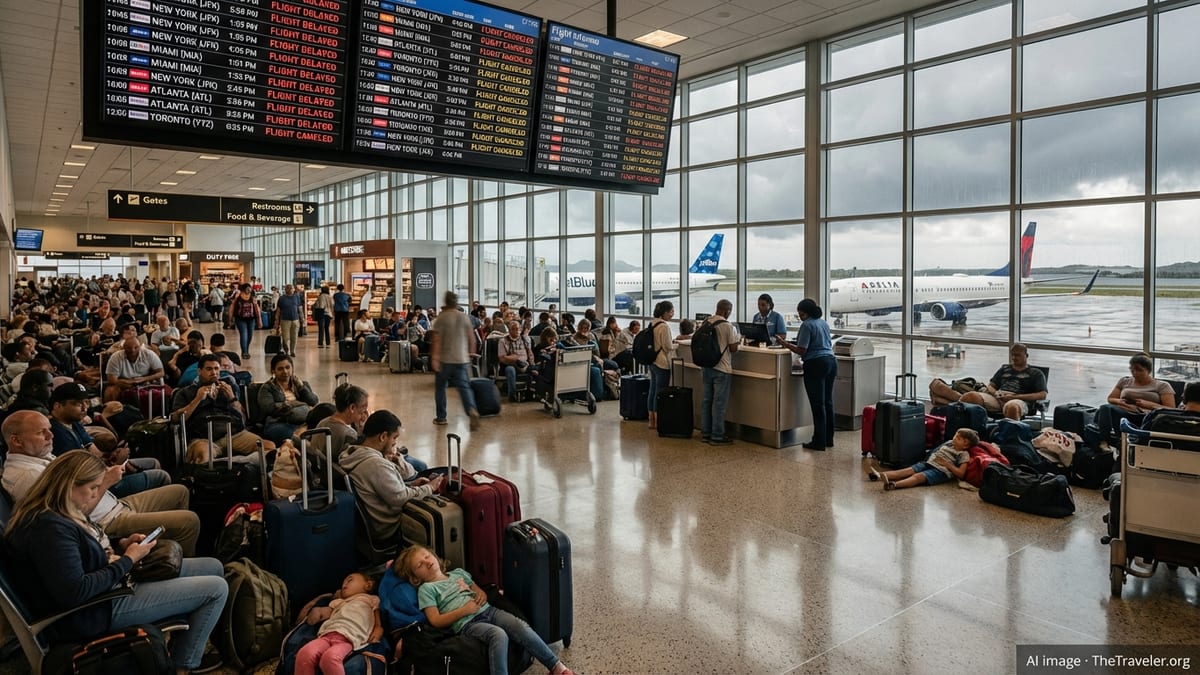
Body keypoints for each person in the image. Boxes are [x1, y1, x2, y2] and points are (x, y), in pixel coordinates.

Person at [3, 450, 227, 673]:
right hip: (93, 611)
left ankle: (182, 643)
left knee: (213, 567)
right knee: (216, 589)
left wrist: (121, 543)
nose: (94, 496)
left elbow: (78, 556)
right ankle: (182, 665)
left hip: (107, 589)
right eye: (92, 488)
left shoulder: (56, 512)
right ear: (69, 484)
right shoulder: (49, 529)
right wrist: (129, 559)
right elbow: (75, 591)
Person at [3, 411, 201, 555]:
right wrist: (106, 481)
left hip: (115, 505)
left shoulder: (39, 457)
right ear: (17, 441)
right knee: (189, 521)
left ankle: (165, 550)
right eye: (41, 433)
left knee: (179, 491)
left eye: (49, 430)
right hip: (107, 521)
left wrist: (102, 473)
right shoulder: (29, 476)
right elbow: (73, 516)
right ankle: (177, 565)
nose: (51, 435)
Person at [395, 545, 573, 675]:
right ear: (415, 578)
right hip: (468, 624)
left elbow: (479, 590)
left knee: (520, 626)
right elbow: (435, 620)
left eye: (427, 556)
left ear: (434, 555)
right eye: (419, 565)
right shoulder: (427, 589)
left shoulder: (458, 573)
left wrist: (481, 595)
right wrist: (464, 610)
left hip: (489, 611)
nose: (426, 562)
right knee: (498, 635)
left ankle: (556, 666)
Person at [339, 411, 445, 545]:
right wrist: (430, 487)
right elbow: (400, 498)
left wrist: (411, 485)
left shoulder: (351, 452)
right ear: (383, 436)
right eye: (394, 438)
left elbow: (384, 489)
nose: (395, 443)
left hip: (371, 523)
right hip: (388, 529)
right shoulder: (376, 465)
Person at [172, 354, 273, 464]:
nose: (214, 373)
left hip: (233, 434)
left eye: (216, 369)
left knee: (269, 447)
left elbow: (243, 418)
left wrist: (232, 398)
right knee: (204, 456)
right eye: (209, 369)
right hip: (204, 438)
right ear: (199, 371)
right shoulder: (185, 392)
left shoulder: (226, 389)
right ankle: (239, 462)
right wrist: (197, 399)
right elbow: (176, 419)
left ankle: (232, 463)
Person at [929, 343, 1048, 420]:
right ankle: (968, 430)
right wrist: (996, 393)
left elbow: (1042, 394)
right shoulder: (1005, 369)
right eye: (1012, 355)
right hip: (998, 397)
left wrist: (1014, 397)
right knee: (971, 397)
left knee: (1012, 407)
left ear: (1026, 355)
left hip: (1018, 399)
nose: (1014, 358)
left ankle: (1009, 439)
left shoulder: (1035, 373)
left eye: (1017, 355)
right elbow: (991, 385)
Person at [295, 572, 383, 675]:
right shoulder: (339, 602)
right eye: (343, 582)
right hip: (326, 635)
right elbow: (326, 612)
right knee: (305, 653)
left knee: (330, 658)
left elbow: (378, 622)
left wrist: (378, 630)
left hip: (349, 638)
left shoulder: (371, 600)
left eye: (350, 580)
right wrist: (317, 611)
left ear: (368, 585)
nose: (344, 584)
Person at [780, 298, 837, 451]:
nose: (800, 317)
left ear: (807, 313)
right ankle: (828, 438)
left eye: (801, 314)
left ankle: (818, 441)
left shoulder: (807, 325)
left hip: (816, 363)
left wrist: (785, 344)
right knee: (828, 402)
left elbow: (801, 350)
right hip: (831, 361)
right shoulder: (823, 322)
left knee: (817, 404)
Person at [1095, 353, 1176, 450]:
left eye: (1139, 370)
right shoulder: (1125, 381)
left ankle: (1121, 444)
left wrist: (1149, 405)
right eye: (1132, 370)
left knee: (1116, 416)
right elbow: (1111, 398)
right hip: (1124, 412)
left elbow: (1171, 409)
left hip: (1145, 416)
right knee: (1105, 408)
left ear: (1148, 370)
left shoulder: (1162, 385)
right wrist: (1120, 402)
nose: (1135, 373)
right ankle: (1107, 441)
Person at [430, 292, 480, 430]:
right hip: (461, 359)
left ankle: (441, 417)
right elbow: (472, 338)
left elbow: (436, 340)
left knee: (440, 387)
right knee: (464, 387)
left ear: (445, 302)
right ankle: (471, 410)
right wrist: (470, 353)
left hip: (444, 359)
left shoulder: (441, 318)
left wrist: (434, 358)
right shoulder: (464, 317)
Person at [870, 428, 976, 490]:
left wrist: (947, 464)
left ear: (966, 444)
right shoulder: (949, 443)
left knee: (917, 477)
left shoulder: (963, 454)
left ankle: (894, 485)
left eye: (958, 438)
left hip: (940, 471)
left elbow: (961, 473)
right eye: (955, 436)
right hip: (929, 463)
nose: (954, 438)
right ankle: (878, 475)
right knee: (907, 470)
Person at [698, 300, 739, 445]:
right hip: (722, 368)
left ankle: (705, 433)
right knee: (719, 403)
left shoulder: (706, 322)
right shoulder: (728, 326)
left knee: (707, 401)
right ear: (727, 311)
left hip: (706, 366)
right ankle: (717, 435)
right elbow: (733, 349)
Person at [258, 353, 319, 445]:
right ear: (273, 371)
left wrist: (302, 388)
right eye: (280, 369)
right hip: (279, 423)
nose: (285, 372)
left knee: (321, 431)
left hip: (304, 421)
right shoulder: (267, 388)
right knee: (299, 438)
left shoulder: (301, 384)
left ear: (292, 368)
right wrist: (294, 405)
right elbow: (268, 408)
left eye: (288, 367)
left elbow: (313, 401)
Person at [104, 336, 166, 402]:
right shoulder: (116, 357)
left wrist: (145, 379)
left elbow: (161, 372)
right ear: (124, 347)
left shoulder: (149, 354)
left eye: (136, 347)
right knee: (110, 391)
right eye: (129, 348)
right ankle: (110, 411)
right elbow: (111, 379)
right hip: (124, 383)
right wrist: (127, 382)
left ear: (140, 347)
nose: (132, 350)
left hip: (145, 382)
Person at [646, 302, 675, 431]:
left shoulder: (652, 323)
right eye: (671, 311)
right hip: (662, 362)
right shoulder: (664, 326)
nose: (672, 314)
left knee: (652, 390)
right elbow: (668, 346)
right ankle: (659, 421)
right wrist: (676, 344)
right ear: (664, 312)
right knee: (660, 392)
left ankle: (651, 419)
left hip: (652, 361)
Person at [497, 320, 536, 403]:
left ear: (521, 329)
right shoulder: (503, 341)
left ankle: (530, 394)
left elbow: (530, 354)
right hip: (510, 365)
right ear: (509, 330)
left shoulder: (525, 339)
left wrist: (532, 364)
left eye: (518, 329)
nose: (516, 331)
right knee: (510, 370)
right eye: (513, 329)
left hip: (525, 364)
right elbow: (502, 358)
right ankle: (512, 395)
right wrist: (513, 358)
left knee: (534, 369)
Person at [230, 283, 263, 359]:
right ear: (244, 289)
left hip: (251, 319)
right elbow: (232, 307)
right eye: (248, 288)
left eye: (250, 288)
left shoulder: (252, 297)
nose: (249, 290)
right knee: (244, 334)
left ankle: (246, 350)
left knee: (250, 335)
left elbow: (257, 309)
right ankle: (244, 352)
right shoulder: (238, 297)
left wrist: (259, 320)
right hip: (240, 318)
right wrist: (230, 319)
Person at [276, 284, 304, 357]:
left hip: (295, 320)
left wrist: (302, 319)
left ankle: (292, 351)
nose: (289, 289)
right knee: (285, 337)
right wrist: (276, 322)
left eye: (291, 288)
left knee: (294, 337)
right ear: (285, 290)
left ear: (293, 289)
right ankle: (287, 351)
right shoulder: (281, 298)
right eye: (287, 288)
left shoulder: (296, 297)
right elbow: (278, 311)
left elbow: (300, 309)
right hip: (285, 320)